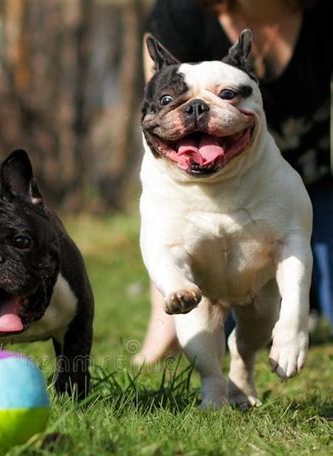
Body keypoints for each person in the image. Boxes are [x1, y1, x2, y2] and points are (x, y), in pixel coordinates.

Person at [134, 0, 332, 365]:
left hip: (312, 184)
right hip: (203, 199)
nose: (198, 107)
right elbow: (164, 231)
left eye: (224, 95)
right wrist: (165, 311)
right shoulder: (181, 13)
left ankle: (308, 308)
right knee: (203, 334)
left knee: (291, 310)